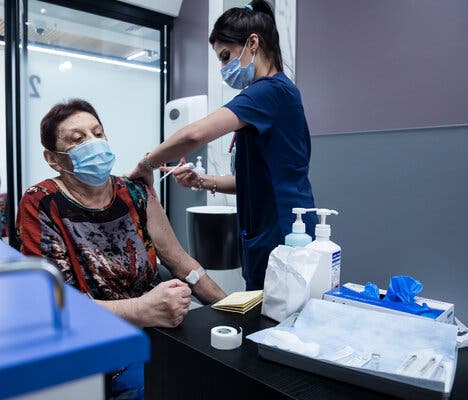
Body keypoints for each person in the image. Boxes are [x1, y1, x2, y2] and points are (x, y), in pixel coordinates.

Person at [16, 99, 226, 399]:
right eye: (78, 139)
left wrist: (230, 307)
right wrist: (142, 310)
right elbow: (54, 305)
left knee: (221, 373)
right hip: (96, 343)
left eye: (98, 133)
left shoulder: (134, 192)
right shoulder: (41, 203)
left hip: (160, 327)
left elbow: (181, 263)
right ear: (53, 158)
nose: (94, 143)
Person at [130, 0, 317, 290]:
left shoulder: (269, 91)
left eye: (226, 56)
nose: (223, 67)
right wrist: (200, 181)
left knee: (275, 321)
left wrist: (146, 164)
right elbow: (250, 181)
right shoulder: (273, 94)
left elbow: (194, 135)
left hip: (281, 231)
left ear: (253, 43)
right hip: (270, 227)